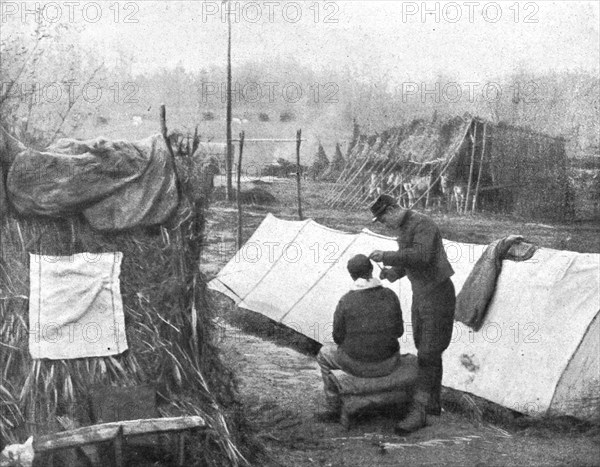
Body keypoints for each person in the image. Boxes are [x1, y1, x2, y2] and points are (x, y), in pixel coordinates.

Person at [369, 194, 455, 434]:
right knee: (425, 349)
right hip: (422, 294)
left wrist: (386, 255)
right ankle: (432, 404)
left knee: (428, 351)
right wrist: (394, 272)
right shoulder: (405, 227)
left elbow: (422, 256)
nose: (383, 224)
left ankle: (419, 411)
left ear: (394, 209)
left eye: (383, 218)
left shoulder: (423, 224)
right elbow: (410, 261)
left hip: (438, 294)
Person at [316, 254, 404, 421]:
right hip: (388, 363)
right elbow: (399, 332)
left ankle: (334, 407)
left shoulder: (346, 300)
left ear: (351, 275)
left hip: (356, 365)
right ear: (372, 270)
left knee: (324, 353)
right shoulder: (390, 295)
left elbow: (337, 337)